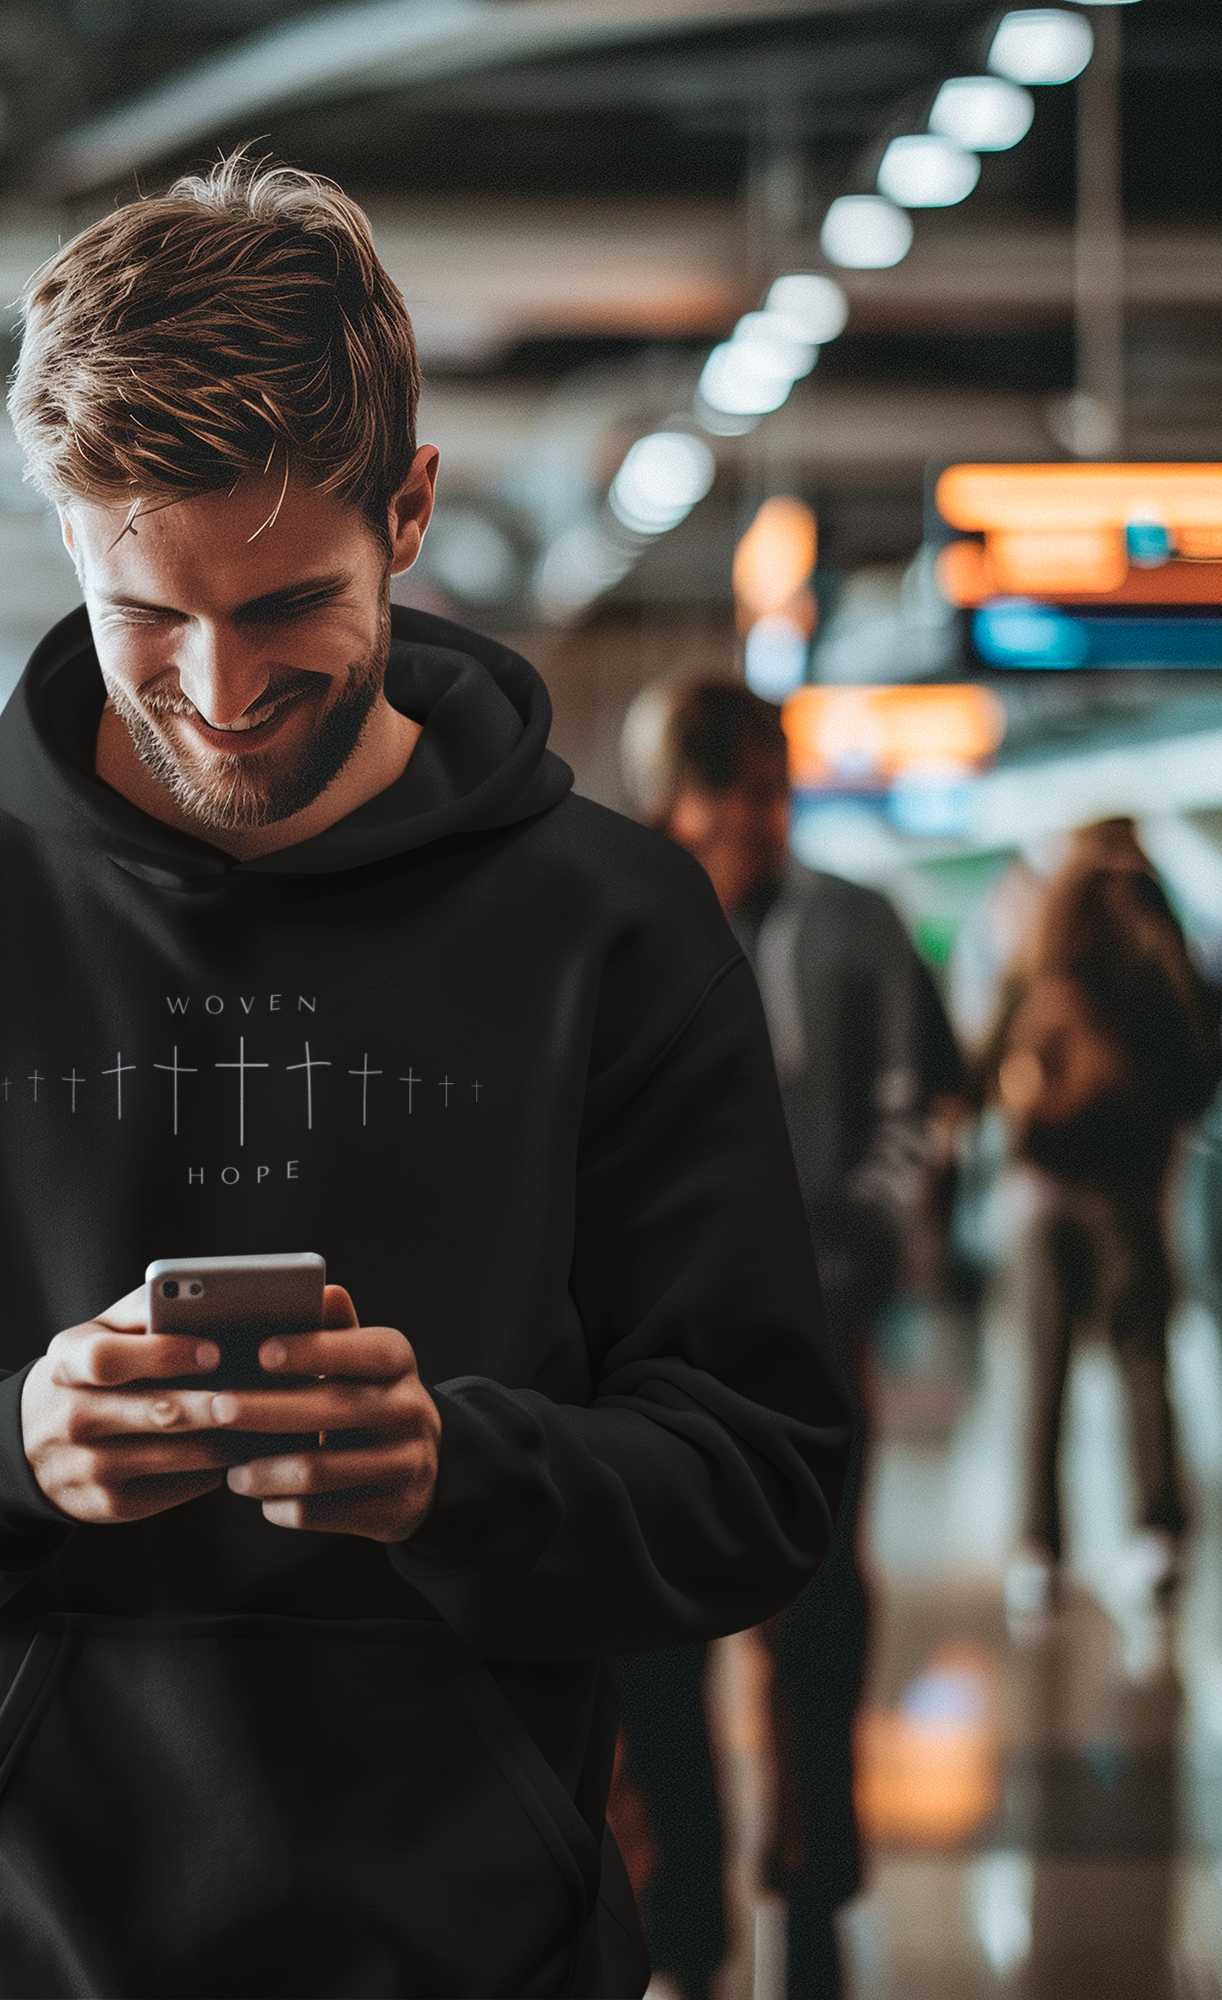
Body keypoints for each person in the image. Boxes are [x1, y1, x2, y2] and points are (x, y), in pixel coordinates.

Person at [0, 155, 849, 2000]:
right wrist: (2, 1450)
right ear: (68, 538)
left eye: (290, 603)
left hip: (481, 1950)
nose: (218, 690)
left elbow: (762, 1477)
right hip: (16, 1954)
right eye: (152, 614)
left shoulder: (611, 925)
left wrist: (466, 1469)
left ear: (412, 511)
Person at [614, 679, 962, 2000]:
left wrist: (848, 1277)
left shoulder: (855, 928)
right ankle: (679, 1915)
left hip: (808, 1340)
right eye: (726, 799)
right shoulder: (620, 933)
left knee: (815, 1620)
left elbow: (907, 1112)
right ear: (668, 806)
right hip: (648, 1355)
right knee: (651, 1634)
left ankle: (812, 1889)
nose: (754, 824)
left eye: (770, 794)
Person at [985, 822, 1220, 1612]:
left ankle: (1038, 1552)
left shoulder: (1048, 935)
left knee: (1039, 1371)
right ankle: (1158, 1534)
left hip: (1043, 1194)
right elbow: (1197, 1069)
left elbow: (989, 1055)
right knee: (1142, 1361)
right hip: (1128, 1195)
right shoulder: (1155, 934)